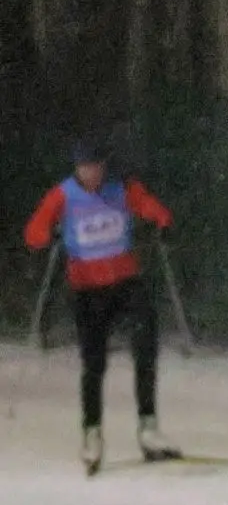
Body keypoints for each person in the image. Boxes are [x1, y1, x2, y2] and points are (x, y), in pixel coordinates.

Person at [23, 142, 179, 475]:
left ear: (103, 167)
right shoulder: (62, 196)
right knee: (94, 363)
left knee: (145, 345)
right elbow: (33, 232)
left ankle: (149, 428)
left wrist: (162, 222)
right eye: (85, 167)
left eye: (96, 166)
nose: (91, 173)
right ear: (76, 169)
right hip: (88, 290)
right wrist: (46, 235)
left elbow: (151, 207)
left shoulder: (121, 188)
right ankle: (91, 433)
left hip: (125, 281)